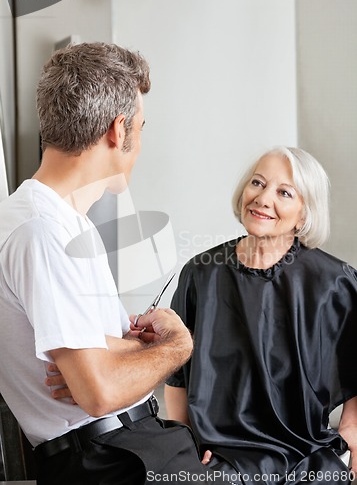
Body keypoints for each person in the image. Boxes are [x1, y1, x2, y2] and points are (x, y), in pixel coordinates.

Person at [0, 42, 227, 485]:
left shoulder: (59, 223)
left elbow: (102, 358)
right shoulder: (43, 232)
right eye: (141, 127)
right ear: (118, 129)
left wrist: (116, 352)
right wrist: (178, 346)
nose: (140, 143)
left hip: (131, 445)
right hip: (110, 459)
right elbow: (100, 392)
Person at [164, 146, 357, 485]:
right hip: (221, 459)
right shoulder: (200, 274)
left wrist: (353, 430)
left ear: (303, 213)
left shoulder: (335, 282)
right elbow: (177, 377)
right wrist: (185, 444)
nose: (263, 198)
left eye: (284, 192)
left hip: (307, 456)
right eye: (257, 183)